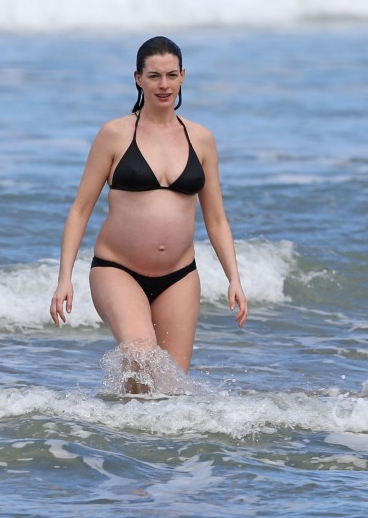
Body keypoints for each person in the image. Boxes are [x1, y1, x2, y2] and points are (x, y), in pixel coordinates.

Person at [49, 36, 247, 391]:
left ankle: (139, 444)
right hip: (117, 269)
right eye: (154, 76)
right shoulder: (114, 135)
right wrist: (65, 277)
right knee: (141, 355)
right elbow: (80, 210)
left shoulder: (201, 139)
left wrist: (234, 277)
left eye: (171, 75)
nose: (164, 85)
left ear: (183, 76)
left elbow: (216, 218)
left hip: (180, 276)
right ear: (138, 78)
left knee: (170, 388)